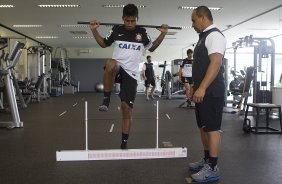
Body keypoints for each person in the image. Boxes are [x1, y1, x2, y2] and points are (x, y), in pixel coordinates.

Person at [89, 4, 168, 149]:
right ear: (122, 19)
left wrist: (163, 33)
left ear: (137, 19)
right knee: (110, 63)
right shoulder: (116, 29)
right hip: (118, 67)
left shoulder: (142, 32)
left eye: (133, 21)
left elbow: (152, 47)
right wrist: (94, 30)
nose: (130, 24)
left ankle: (124, 142)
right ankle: (106, 99)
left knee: (127, 109)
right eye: (127, 21)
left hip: (131, 73)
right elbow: (103, 44)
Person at [188, 6, 226, 182]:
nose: (193, 24)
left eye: (194, 20)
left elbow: (216, 63)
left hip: (212, 91)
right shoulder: (203, 38)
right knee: (203, 127)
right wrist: (195, 88)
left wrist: (202, 88)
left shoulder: (214, 36)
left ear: (203, 18)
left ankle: (213, 167)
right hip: (202, 90)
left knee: (212, 129)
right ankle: (207, 160)